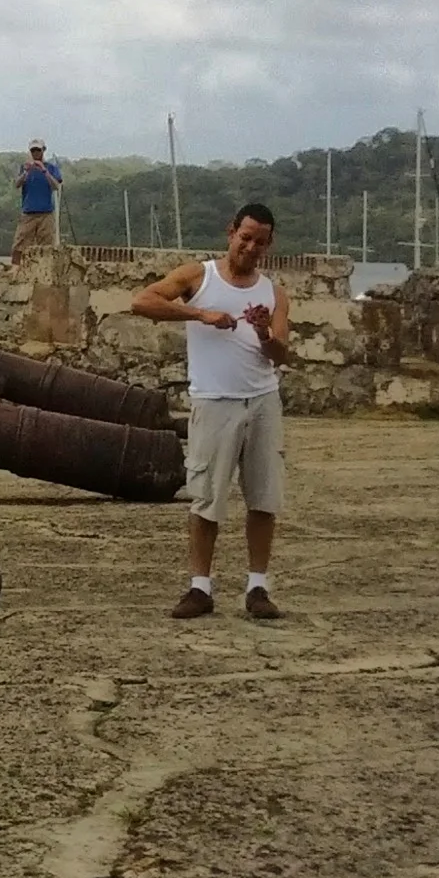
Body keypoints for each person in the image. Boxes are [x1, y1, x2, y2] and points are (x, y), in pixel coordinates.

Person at [131, 203, 292, 621]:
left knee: (264, 498)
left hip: (262, 400)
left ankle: (258, 586)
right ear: (231, 232)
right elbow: (143, 302)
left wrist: (262, 331)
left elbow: (280, 355)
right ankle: (200, 587)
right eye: (246, 237)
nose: (251, 248)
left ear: (269, 245)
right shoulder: (198, 276)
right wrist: (200, 313)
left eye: (260, 242)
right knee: (207, 499)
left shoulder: (274, 293)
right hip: (214, 400)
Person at [12, 140, 62, 256]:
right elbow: (17, 184)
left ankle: (44, 266)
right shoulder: (24, 168)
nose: (35, 153)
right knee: (20, 244)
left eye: (38, 150)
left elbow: (56, 186)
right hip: (28, 213)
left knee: (46, 246)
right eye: (33, 150)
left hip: (46, 213)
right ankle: (16, 266)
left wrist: (44, 171)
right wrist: (26, 172)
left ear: (43, 150)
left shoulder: (51, 168)